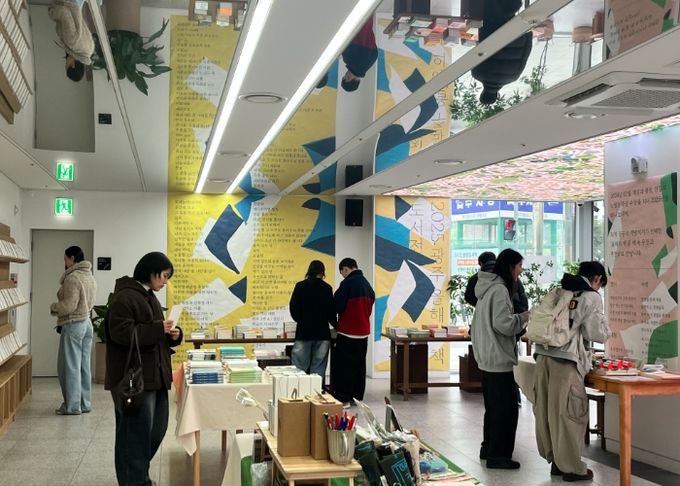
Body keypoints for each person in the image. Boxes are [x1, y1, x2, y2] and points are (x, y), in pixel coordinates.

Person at [104, 252, 182, 486]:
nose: (165, 282)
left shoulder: (149, 297)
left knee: (155, 430)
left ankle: (139, 475)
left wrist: (173, 335)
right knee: (134, 435)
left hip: (155, 376)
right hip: (135, 379)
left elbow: (154, 333)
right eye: (164, 276)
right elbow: (122, 334)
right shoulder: (125, 297)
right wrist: (158, 329)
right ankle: (134, 481)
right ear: (151, 271)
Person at [533, 262, 609, 482]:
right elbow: (595, 333)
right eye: (600, 283)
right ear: (597, 278)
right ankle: (573, 468)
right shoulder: (591, 296)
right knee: (569, 414)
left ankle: (557, 462)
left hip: (543, 355)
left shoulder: (561, 290)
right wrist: (608, 329)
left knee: (547, 411)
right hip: (565, 361)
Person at [471, 248, 530, 469]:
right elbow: (503, 324)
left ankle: (489, 449)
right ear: (510, 266)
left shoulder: (487, 287)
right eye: (519, 266)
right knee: (506, 411)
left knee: (494, 410)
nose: (520, 270)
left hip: (489, 357)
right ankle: (499, 456)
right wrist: (525, 317)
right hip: (498, 359)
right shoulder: (499, 290)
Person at [50, 245, 97, 415]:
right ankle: (85, 404)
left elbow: (69, 305)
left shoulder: (72, 278)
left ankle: (72, 406)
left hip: (74, 324)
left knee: (70, 366)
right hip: (87, 322)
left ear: (72, 258)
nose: (64, 262)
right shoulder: (89, 276)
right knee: (84, 365)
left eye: (65, 259)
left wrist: (54, 307)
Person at [331, 257, 375, 407]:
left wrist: (336, 322)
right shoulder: (367, 285)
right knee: (359, 366)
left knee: (344, 367)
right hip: (363, 332)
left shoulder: (347, 283)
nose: (343, 276)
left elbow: (337, 305)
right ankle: (357, 397)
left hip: (348, 332)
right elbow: (369, 307)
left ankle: (343, 398)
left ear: (345, 269)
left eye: (342, 272)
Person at [289, 260, 337, 379]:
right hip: (322, 333)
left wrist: (300, 320)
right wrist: (336, 325)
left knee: (299, 367)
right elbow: (331, 312)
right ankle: (316, 389)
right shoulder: (327, 288)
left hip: (304, 332)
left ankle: (298, 389)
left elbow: (293, 308)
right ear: (322, 272)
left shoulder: (300, 286)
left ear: (309, 271)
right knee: (318, 368)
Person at [340, 15, 377, 92]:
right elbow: (343, 43)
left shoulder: (371, 61)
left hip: (368, 19)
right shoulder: (349, 60)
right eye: (344, 77)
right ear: (348, 78)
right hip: (355, 21)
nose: (345, 74)